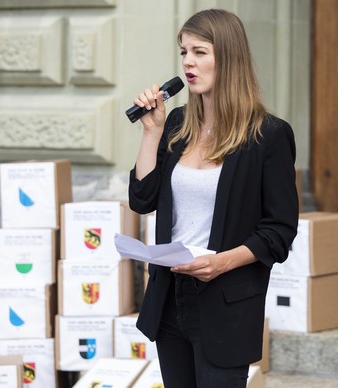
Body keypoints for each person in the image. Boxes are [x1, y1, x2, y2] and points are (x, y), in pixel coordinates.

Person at [128, 8, 299, 388]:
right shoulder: (175, 126)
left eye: (200, 52)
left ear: (229, 57)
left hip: (226, 302)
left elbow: (280, 231)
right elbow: (142, 199)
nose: (188, 62)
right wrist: (151, 132)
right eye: (183, 52)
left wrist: (221, 263)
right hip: (171, 296)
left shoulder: (268, 135)